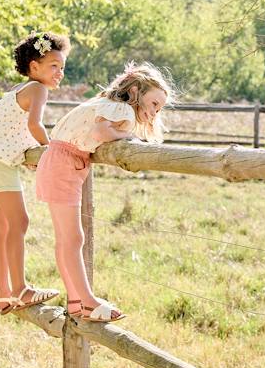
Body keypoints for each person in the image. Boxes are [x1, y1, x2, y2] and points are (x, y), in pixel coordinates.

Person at [36, 61, 173, 322]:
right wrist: (128, 139)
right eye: (154, 104)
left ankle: (76, 300)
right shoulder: (123, 110)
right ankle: (87, 301)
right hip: (65, 163)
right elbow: (100, 132)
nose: (156, 112)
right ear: (135, 92)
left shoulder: (103, 103)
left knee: (67, 239)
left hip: (59, 160)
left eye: (160, 108)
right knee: (73, 238)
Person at [0, 32, 70, 315]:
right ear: (34, 67)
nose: (59, 72)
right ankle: (21, 288)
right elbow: (35, 126)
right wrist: (51, 153)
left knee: (3, 227)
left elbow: (11, 127)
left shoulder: (17, 90)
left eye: (62, 67)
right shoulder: (38, 90)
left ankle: (4, 294)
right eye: (53, 65)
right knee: (20, 222)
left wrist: (25, 150)